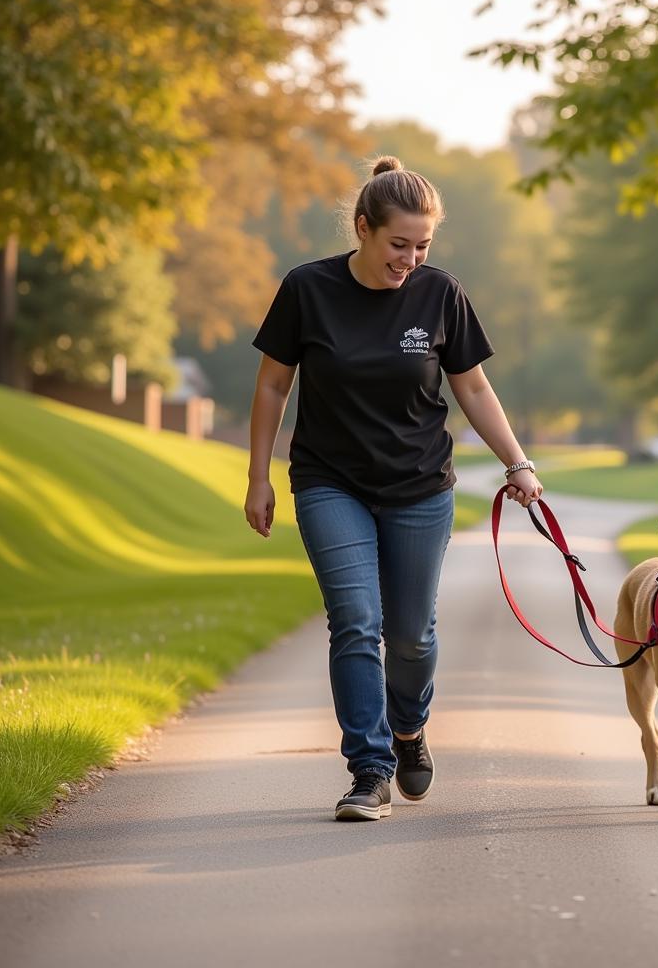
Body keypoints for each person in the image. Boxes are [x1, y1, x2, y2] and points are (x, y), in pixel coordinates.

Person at [244, 156, 542, 822]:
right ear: (363, 229)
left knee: (411, 637)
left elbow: (472, 386)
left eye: (422, 246)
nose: (409, 258)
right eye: (397, 244)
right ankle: (370, 770)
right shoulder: (308, 289)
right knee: (356, 624)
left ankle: (409, 728)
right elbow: (272, 384)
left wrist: (517, 462)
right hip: (330, 482)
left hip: (419, 487)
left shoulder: (441, 294)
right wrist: (258, 475)